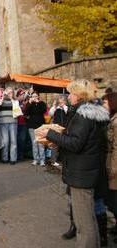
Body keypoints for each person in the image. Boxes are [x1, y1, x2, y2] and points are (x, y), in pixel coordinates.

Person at [38, 79, 110, 248]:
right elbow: (80, 141)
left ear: (78, 95)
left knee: (84, 223)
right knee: (88, 218)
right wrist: (59, 139)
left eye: (71, 93)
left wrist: (51, 134)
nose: (68, 96)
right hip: (86, 170)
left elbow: (75, 144)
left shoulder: (83, 115)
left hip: (82, 173)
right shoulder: (90, 112)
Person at [102, 92, 117, 244]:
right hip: (111, 164)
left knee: (113, 201)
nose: (103, 106)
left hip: (114, 167)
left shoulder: (116, 122)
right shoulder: (111, 119)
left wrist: (112, 170)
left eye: (105, 104)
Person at [0, 87, 21, 165]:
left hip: (13, 122)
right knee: (5, 141)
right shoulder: (1, 100)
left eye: (11, 92)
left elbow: (17, 110)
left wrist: (11, 98)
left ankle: (13, 159)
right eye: (8, 92)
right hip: (3, 122)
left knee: (13, 141)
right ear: (5, 92)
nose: (10, 93)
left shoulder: (15, 101)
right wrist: (3, 97)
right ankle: (4, 158)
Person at [25, 91, 47, 166]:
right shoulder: (30, 103)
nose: (34, 97)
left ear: (38, 96)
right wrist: (30, 103)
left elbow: (44, 111)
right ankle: (35, 159)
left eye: (35, 96)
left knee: (40, 143)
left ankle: (42, 160)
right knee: (34, 143)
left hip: (40, 126)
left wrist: (38, 103)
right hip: (31, 126)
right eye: (33, 96)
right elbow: (26, 113)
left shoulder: (42, 103)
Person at [48, 95, 68, 166]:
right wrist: (54, 106)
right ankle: (53, 160)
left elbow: (68, 114)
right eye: (60, 101)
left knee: (64, 144)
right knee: (55, 144)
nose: (61, 103)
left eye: (63, 101)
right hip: (56, 127)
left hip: (64, 128)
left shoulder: (66, 108)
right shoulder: (55, 108)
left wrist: (64, 107)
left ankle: (63, 160)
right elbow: (50, 113)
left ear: (65, 101)